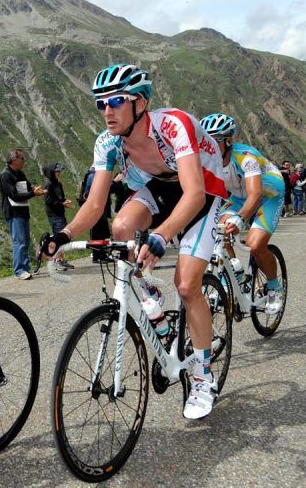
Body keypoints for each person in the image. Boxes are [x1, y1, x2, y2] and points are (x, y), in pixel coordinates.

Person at [40, 63, 228, 420]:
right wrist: (63, 236)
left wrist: (161, 234)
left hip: (202, 189)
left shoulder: (173, 125)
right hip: (160, 185)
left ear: (140, 103)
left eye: (115, 101)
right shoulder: (108, 143)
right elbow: (95, 204)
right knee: (121, 227)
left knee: (187, 286)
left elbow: (193, 194)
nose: (107, 111)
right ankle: (150, 299)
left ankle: (203, 377)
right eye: (101, 104)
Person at [201, 113, 284, 313]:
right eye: (205, 141)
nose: (209, 146)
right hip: (239, 196)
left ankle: (274, 287)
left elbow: (255, 195)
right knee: (217, 230)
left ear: (228, 141)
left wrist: (240, 218)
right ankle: (235, 270)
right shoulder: (206, 160)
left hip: (268, 195)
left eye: (215, 141)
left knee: (255, 246)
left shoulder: (245, 158)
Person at [0, 149, 46, 279]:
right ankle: (18, 270)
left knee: (25, 240)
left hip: (23, 210)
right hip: (13, 212)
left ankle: (25, 267)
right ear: (14, 160)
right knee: (19, 241)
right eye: (22, 159)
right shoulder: (5, 175)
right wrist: (33, 194)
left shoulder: (20, 173)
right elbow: (14, 196)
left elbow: (27, 186)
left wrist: (34, 189)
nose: (24, 161)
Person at [42, 162, 73, 269]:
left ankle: (61, 259)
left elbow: (60, 198)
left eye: (59, 171)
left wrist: (65, 202)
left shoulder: (58, 184)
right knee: (60, 237)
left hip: (60, 213)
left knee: (62, 237)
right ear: (51, 172)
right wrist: (61, 203)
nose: (59, 172)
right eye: (57, 171)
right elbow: (48, 200)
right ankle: (58, 260)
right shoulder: (48, 185)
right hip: (54, 214)